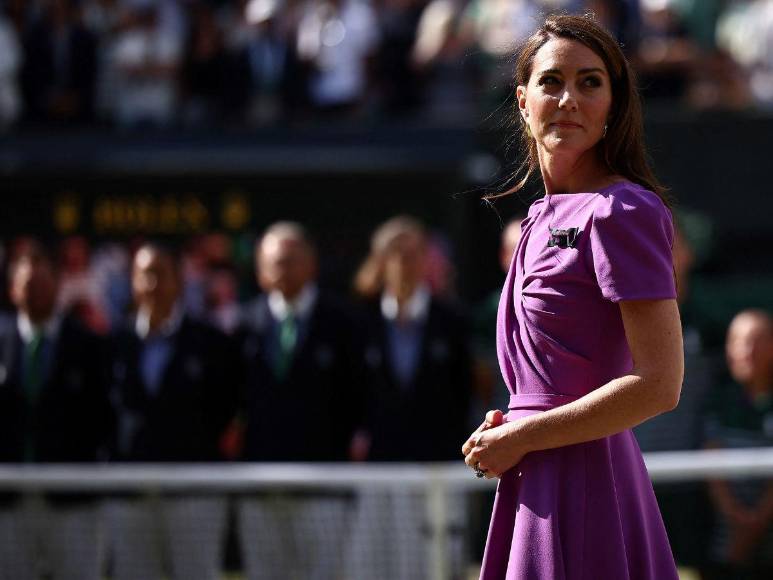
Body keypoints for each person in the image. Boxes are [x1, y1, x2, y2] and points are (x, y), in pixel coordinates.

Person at [461, 14, 684, 580]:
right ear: (521, 101)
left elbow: (660, 385)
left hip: (590, 484)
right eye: (551, 81)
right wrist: (511, 428)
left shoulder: (623, 211)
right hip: (532, 477)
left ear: (614, 105)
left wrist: (525, 435)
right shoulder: (535, 219)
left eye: (590, 83)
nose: (568, 99)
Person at [347, 215, 473, 580]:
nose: (404, 261)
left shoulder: (452, 322)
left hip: (437, 470)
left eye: (413, 252)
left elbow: (462, 396)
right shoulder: (360, 324)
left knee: (432, 567)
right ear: (380, 260)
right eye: (395, 252)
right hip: (376, 473)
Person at [236, 221, 363, 580]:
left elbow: (358, 399)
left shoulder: (344, 325)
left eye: (292, 260)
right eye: (275, 262)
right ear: (260, 270)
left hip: (324, 486)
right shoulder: (242, 326)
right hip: (260, 486)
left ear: (311, 264)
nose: (283, 269)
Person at [106, 242, 239, 580]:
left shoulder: (211, 343)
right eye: (143, 275)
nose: (152, 284)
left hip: (195, 492)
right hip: (129, 492)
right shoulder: (112, 344)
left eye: (160, 274)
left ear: (179, 281)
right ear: (132, 282)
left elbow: (224, 410)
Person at [0, 240, 112, 580]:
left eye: (41, 282)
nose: (33, 291)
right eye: (26, 284)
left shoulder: (89, 345)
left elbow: (103, 417)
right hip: (8, 500)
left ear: (58, 285)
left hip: (72, 501)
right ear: (12, 289)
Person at [703, 309, 773, 580]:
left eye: (757, 340)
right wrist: (737, 519)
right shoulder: (717, 400)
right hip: (723, 541)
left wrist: (758, 519)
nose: (746, 350)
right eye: (738, 341)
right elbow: (711, 462)